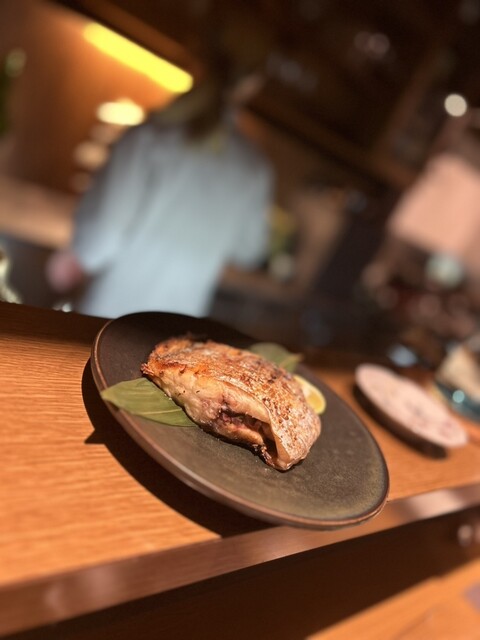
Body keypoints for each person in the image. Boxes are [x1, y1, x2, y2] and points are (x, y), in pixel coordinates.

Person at [46, 7, 274, 319]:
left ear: (195, 55)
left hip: (105, 324)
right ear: (254, 83)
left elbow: (97, 244)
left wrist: (72, 258)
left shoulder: (149, 138)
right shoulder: (254, 171)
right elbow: (249, 251)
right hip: (177, 334)